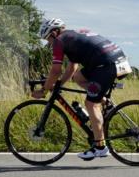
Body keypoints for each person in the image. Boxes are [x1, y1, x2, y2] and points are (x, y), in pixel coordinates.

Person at [35, 18, 129, 160]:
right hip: (113, 60)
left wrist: (44, 90)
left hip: (105, 65)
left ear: (54, 32)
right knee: (78, 77)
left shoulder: (59, 41)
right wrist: (59, 84)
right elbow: (73, 68)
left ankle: (100, 147)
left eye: (48, 39)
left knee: (91, 104)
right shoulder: (71, 37)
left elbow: (55, 71)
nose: (49, 43)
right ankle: (107, 104)